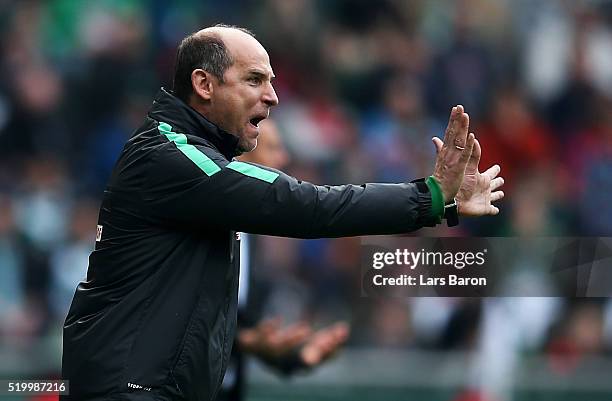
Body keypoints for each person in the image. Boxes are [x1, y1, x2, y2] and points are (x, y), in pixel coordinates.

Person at [61, 24, 504, 401]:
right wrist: (430, 196)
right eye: (254, 80)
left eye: (271, 81)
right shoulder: (171, 154)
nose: (272, 97)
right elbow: (306, 206)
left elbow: (178, 304)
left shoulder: (190, 168)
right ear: (204, 84)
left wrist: (258, 347)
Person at [218, 119, 350, 401]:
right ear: (241, 157)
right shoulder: (203, 226)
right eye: (274, 148)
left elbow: (239, 330)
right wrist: (247, 342)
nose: (284, 159)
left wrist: (293, 355)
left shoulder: (249, 234)